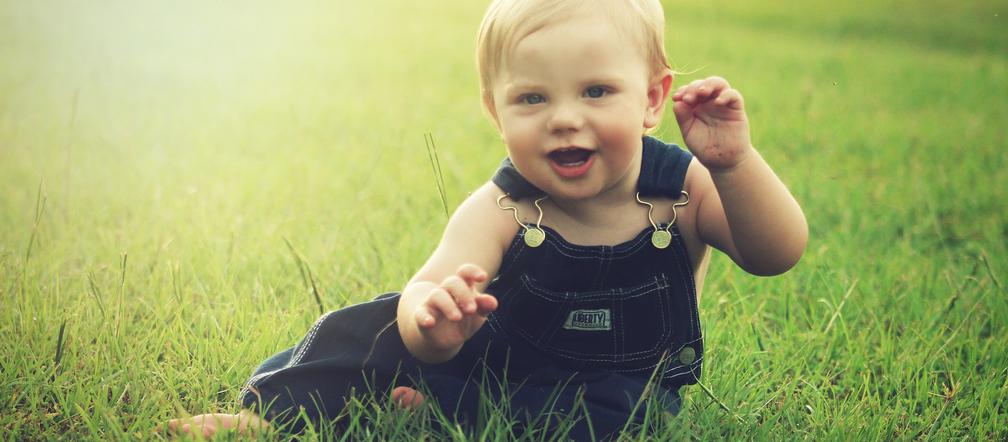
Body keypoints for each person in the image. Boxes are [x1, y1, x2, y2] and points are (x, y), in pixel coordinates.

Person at [166, 0, 807, 438]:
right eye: (532, 97)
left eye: (595, 91)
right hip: (495, 365)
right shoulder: (505, 205)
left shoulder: (685, 189)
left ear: (651, 99)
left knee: (622, 417)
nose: (563, 117)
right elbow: (428, 286)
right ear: (495, 113)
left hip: (615, 391)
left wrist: (735, 164)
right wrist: (432, 325)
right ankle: (277, 418)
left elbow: (774, 253)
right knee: (365, 331)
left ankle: (440, 417)